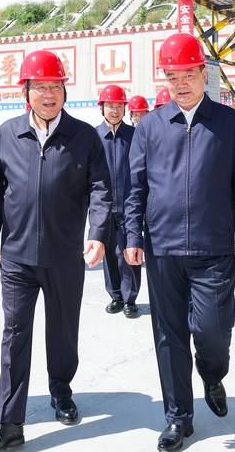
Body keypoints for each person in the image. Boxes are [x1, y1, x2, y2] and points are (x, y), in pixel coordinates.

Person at [124, 33, 235, 451]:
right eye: (172, 75)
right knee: (168, 335)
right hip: (162, 249)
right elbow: (135, 188)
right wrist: (132, 235)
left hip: (213, 247)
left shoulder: (228, 122)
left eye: (188, 73)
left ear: (204, 74)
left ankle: (213, 374)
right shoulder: (149, 126)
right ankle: (178, 419)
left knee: (212, 329)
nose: (180, 83)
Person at [0, 50, 112, 451]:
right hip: (17, 255)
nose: (48, 94)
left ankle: (61, 390)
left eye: (55, 86)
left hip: (66, 254)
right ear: (26, 92)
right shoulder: (8, 133)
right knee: (14, 335)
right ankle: (8, 422)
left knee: (62, 331)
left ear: (65, 90)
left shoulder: (84, 135)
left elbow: (102, 188)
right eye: (40, 87)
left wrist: (99, 231)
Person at [96, 85, 142, 318]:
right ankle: (115, 295)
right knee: (108, 254)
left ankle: (130, 298)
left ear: (125, 108)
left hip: (129, 206)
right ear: (102, 108)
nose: (115, 110)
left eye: (119, 106)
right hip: (103, 207)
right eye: (110, 105)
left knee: (128, 252)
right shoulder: (94, 137)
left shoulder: (134, 136)